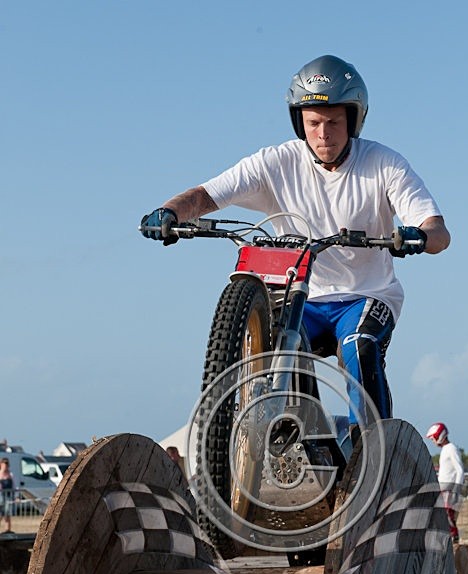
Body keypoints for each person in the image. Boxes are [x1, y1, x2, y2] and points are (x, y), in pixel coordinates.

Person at [141, 55, 450, 438]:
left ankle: (375, 452)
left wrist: (419, 237)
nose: (323, 134)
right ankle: (298, 436)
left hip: (365, 296)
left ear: (354, 120)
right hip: (302, 296)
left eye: (334, 122)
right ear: (299, 121)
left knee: (358, 346)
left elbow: (437, 230)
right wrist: (169, 212)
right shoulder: (275, 162)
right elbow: (204, 196)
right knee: (278, 347)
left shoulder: (385, 164)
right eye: (314, 123)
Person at [425, 422, 465, 543]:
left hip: (450, 489)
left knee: (448, 515)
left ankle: (453, 538)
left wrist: (456, 489)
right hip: (443, 488)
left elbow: (460, 470)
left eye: (434, 438)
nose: (433, 441)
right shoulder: (445, 450)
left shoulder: (452, 449)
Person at [0, 457, 15, 533]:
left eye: (7, 463)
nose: (6, 465)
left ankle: (7, 530)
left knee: (7, 514)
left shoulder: (10, 474)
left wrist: (16, 496)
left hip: (8, 497)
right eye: (4, 463)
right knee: (0, 514)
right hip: (1, 497)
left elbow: (14, 486)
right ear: (1, 464)